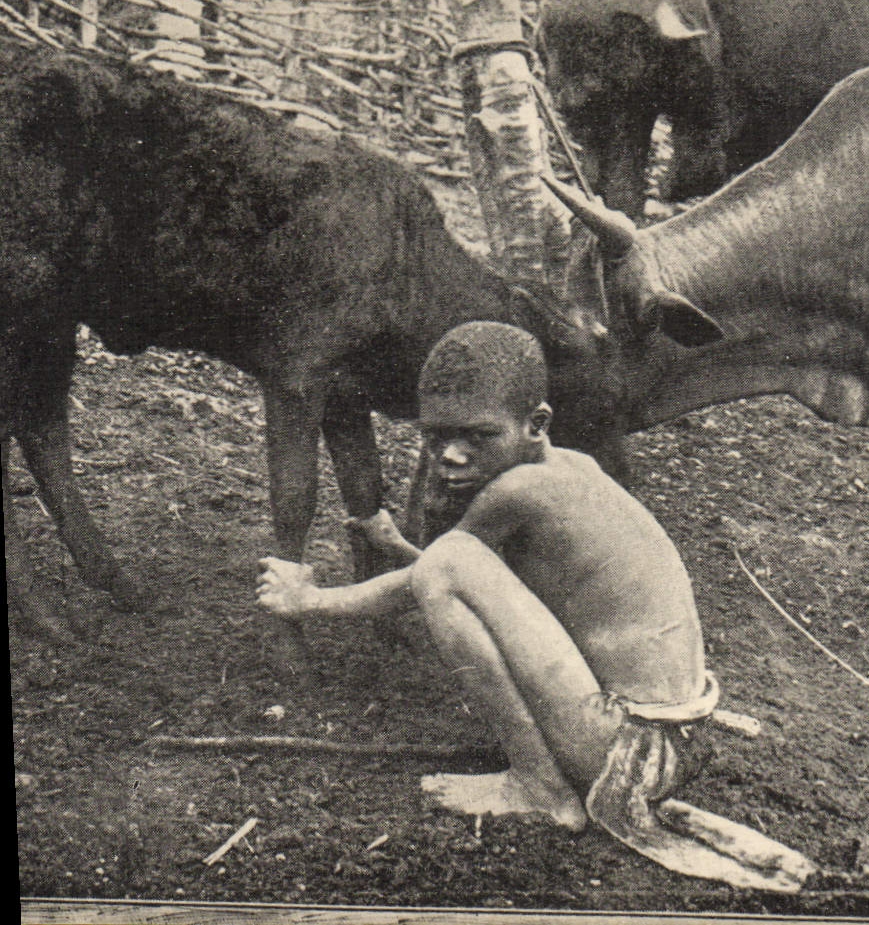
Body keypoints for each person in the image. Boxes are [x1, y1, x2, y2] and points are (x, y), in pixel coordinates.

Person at [255, 321, 813, 893]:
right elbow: (497, 588)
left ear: (536, 424)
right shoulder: (572, 469)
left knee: (446, 561)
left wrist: (309, 600)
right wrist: (401, 548)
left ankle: (540, 787)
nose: (449, 454)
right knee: (448, 561)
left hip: (628, 756)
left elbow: (434, 579)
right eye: (435, 435)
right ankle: (547, 777)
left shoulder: (517, 492)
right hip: (676, 745)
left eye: (477, 436)